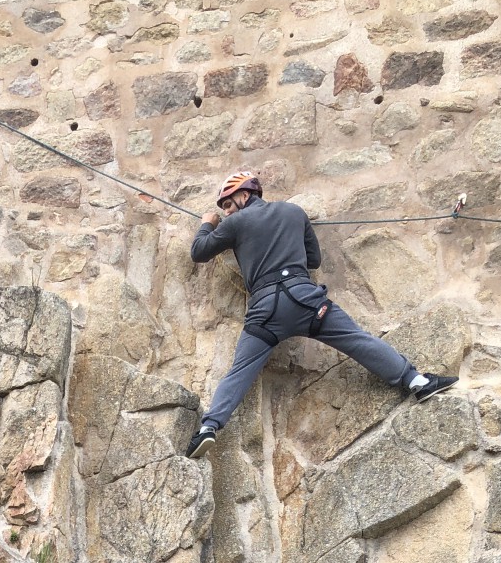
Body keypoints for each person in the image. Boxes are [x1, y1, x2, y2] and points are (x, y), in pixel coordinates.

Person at [185, 171, 459, 459]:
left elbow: (199, 252)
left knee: (239, 370)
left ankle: (208, 428)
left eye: (227, 204)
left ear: (243, 196)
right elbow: (314, 259)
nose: (225, 212)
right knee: (357, 339)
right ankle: (417, 382)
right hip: (305, 300)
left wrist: (207, 224)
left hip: (265, 310)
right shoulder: (294, 212)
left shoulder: (235, 223)